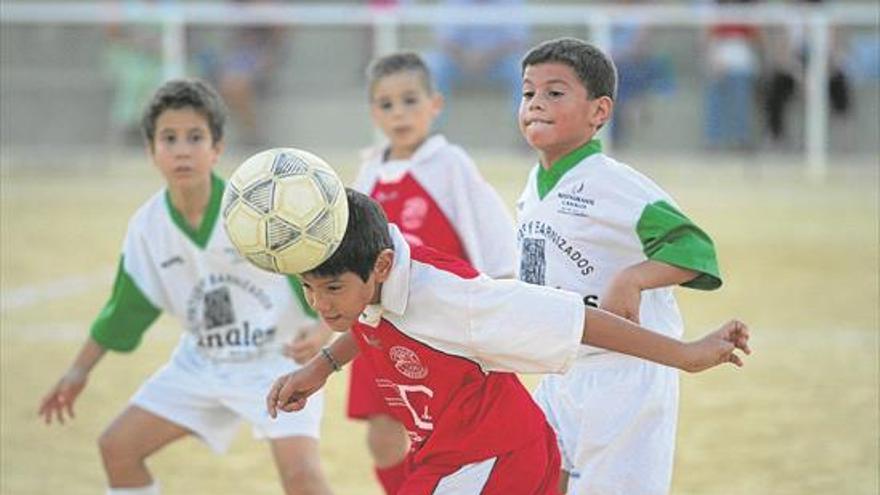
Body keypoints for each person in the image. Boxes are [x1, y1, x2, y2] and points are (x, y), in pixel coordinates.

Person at [266, 189, 750, 494]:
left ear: (382, 267)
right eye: (308, 289)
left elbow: (578, 322)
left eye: (331, 289)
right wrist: (321, 367)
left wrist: (686, 356)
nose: (321, 306)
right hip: (457, 455)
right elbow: (364, 313)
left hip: (498, 458)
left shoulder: (458, 299)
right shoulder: (370, 273)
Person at [37, 79, 333, 495]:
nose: (181, 149)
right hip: (202, 363)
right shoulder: (147, 227)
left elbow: (319, 276)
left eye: (195, 137)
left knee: (302, 475)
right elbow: (123, 309)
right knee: (117, 448)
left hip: (276, 361)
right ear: (151, 151)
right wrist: (77, 371)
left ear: (216, 148)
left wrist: (320, 329)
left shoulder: (256, 211)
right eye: (168, 138)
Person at [515, 37, 724, 494]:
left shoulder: (613, 184)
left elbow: (695, 249)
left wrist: (633, 279)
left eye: (555, 92)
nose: (536, 104)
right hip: (561, 369)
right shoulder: (535, 183)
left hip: (625, 376)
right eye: (528, 92)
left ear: (599, 111)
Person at [349, 51, 518, 495]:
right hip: (377, 329)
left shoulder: (450, 165)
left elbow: (492, 231)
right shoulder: (369, 172)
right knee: (382, 438)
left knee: (442, 439)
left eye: (410, 100)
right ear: (373, 113)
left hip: (438, 327)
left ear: (435, 105)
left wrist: (502, 295)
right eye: (387, 104)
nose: (399, 113)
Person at [424, 0, 529, 120]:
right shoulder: (454, 3)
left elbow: (517, 40)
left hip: (500, 61)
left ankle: (526, 127)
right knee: (432, 67)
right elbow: (444, 40)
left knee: (524, 71)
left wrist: (486, 57)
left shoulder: (511, 3)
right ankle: (432, 126)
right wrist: (466, 56)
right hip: (458, 61)